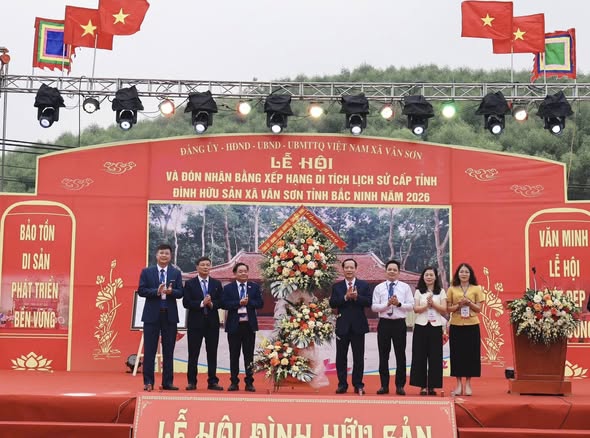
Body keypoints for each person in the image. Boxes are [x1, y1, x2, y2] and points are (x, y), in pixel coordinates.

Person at [137, 243, 183, 391]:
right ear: (156, 255)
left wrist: (171, 292)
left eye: (167, 253)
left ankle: (167, 382)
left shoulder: (175, 273)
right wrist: (156, 291)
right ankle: (148, 382)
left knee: (169, 351)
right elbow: (141, 290)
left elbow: (180, 293)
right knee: (149, 350)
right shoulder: (147, 272)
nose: (164, 255)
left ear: (170, 256)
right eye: (161, 253)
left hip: (169, 316)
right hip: (151, 316)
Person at [371, 259, 414, 395]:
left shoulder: (405, 287)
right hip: (384, 323)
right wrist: (387, 304)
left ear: (399, 272)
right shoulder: (379, 288)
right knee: (383, 355)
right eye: (389, 269)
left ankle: (400, 386)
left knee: (400, 355)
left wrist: (398, 304)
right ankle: (384, 385)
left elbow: (411, 306)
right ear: (385, 271)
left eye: (395, 270)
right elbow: (374, 307)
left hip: (399, 324)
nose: (392, 272)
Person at [329, 258, 371, 395]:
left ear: (356, 269)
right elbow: (332, 303)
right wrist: (346, 297)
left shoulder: (363, 285)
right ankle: (342, 384)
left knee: (358, 357)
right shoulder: (337, 287)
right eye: (346, 267)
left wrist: (357, 297)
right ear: (343, 269)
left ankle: (358, 384)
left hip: (358, 326)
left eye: (351, 267)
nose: (349, 270)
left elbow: (369, 302)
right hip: (342, 326)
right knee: (341, 357)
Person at [221, 262, 264, 392]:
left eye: (245, 271)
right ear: (235, 273)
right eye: (240, 271)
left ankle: (249, 382)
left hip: (249, 326)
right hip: (234, 326)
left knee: (248, 356)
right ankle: (234, 382)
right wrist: (239, 303)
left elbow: (260, 303)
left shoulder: (254, 287)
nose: (243, 273)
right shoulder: (228, 288)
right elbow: (224, 304)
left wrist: (248, 302)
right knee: (234, 355)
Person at [183, 256, 224, 391]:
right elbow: (186, 303)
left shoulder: (216, 283)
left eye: (208, 265)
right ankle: (192, 382)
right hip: (195, 323)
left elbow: (221, 301)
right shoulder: (190, 284)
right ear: (197, 267)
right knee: (193, 353)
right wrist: (201, 303)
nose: (205, 267)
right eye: (203, 265)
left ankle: (212, 381)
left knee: (212, 353)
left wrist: (211, 304)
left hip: (212, 323)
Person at [446, 262, 484, 396]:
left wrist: (469, 303)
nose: (464, 274)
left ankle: (468, 384)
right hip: (456, 325)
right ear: (457, 274)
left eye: (466, 272)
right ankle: (458, 384)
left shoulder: (476, 288)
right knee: (457, 355)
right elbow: (448, 309)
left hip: (472, 325)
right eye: (461, 272)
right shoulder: (452, 289)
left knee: (471, 354)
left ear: (470, 274)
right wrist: (458, 305)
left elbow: (479, 309)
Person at [409, 267, 447, 396]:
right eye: (426, 275)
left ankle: (432, 386)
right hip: (421, 326)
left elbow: (444, 309)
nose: (429, 277)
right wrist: (426, 305)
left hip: (436, 326)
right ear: (423, 277)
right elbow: (416, 309)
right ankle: (422, 386)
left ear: (435, 277)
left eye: (431, 275)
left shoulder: (441, 291)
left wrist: (433, 304)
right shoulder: (419, 291)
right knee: (419, 356)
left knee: (435, 357)